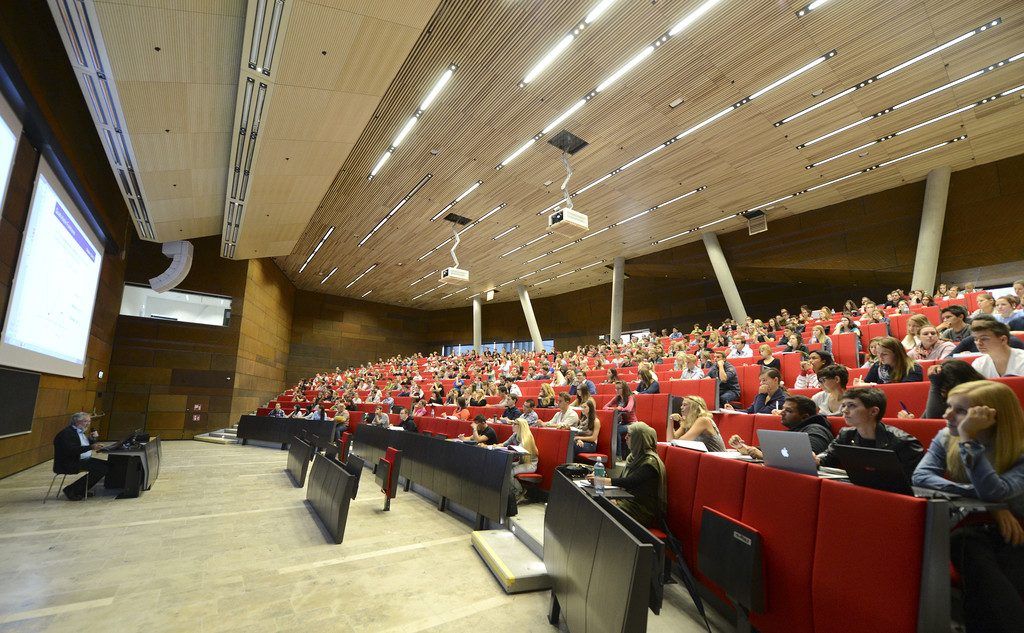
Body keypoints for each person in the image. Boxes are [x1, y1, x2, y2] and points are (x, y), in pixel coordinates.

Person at [911, 381, 1024, 632]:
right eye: (949, 406)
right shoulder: (946, 436)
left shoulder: (1018, 444)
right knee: (966, 545)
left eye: (961, 411)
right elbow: (921, 477)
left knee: (980, 559)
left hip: (1018, 530)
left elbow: (994, 491)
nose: (947, 415)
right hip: (984, 527)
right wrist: (991, 504)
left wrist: (967, 438)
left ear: (992, 416)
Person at [816, 387, 924, 477]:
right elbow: (829, 457)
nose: (844, 410)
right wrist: (817, 459)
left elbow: (917, 482)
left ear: (873, 411)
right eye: (843, 405)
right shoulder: (845, 435)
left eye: (851, 405)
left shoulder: (904, 443)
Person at [587, 423, 666, 528]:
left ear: (639, 439)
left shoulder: (650, 462)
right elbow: (621, 480)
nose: (625, 438)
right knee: (594, 502)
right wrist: (602, 476)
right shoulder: (633, 457)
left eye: (629, 435)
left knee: (600, 507)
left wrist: (602, 481)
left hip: (640, 510)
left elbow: (631, 482)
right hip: (626, 501)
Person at [730, 395, 835, 458]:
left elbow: (806, 457)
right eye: (783, 409)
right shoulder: (796, 429)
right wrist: (742, 447)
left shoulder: (817, 430)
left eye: (788, 411)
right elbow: (766, 450)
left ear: (804, 417)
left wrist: (765, 456)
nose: (781, 413)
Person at [53, 412, 108, 501]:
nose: (88, 424)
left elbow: (82, 445)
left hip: (81, 459)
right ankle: (72, 490)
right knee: (101, 469)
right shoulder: (67, 434)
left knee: (108, 465)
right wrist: (91, 447)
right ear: (77, 422)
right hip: (69, 463)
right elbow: (72, 450)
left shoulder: (79, 432)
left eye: (89, 421)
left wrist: (91, 440)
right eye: (85, 421)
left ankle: (81, 490)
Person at [503, 417, 540, 503]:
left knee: (509, 472)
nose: (512, 425)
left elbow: (518, 452)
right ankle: (511, 492)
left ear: (521, 426)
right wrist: (493, 446)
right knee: (504, 468)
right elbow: (504, 444)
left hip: (530, 464)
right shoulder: (515, 435)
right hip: (521, 462)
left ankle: (520, 492)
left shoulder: (527, 438)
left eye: (515, 424)